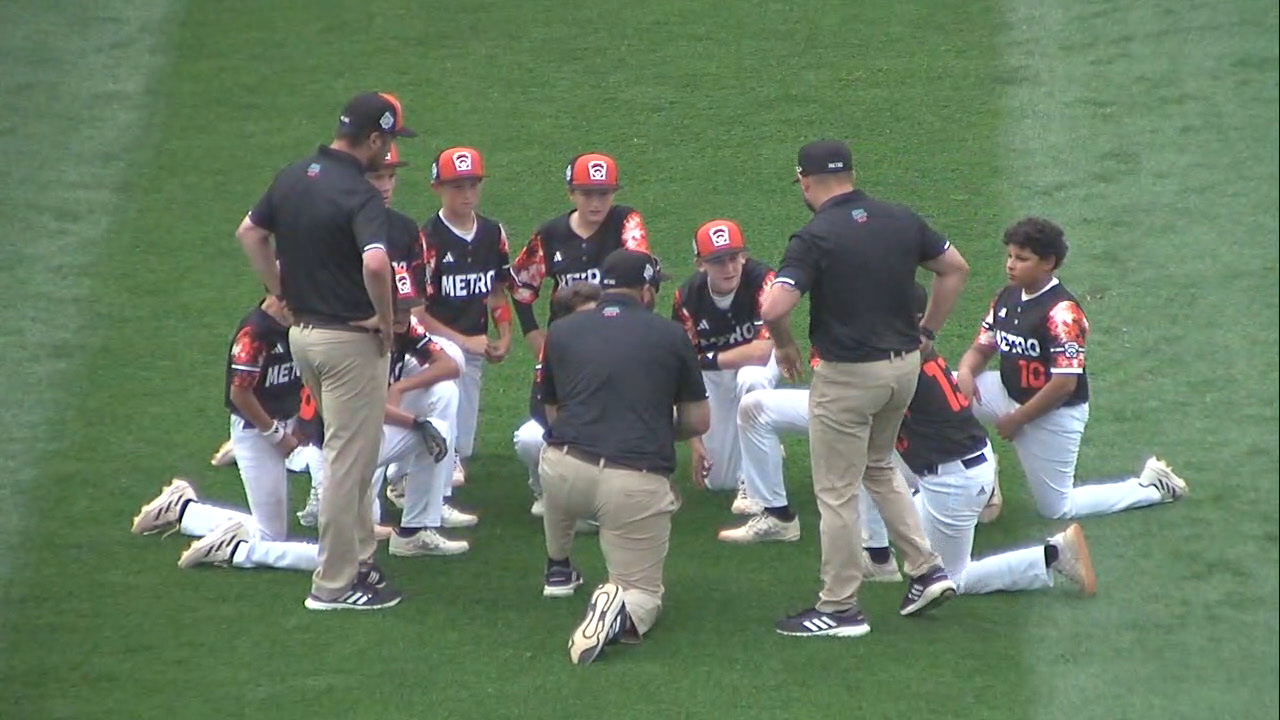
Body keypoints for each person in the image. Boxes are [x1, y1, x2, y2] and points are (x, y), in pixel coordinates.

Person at [761, 138, 970, 637]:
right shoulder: (900, 218)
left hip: (848, 379)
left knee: (835, 492)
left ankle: (839, 608)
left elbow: (773, 307)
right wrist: (927, 332)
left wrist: (784, 345)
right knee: (878, 467)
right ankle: (926, 569)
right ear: (851, 174)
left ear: (805, 181)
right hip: (902, 371)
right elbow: (955, 269)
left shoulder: (814, 236)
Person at [235, 91, 417, 611]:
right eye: (389, 144)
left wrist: (283, 293)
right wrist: (385, 320)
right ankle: (334, 585)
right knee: (347, 461)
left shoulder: (294, 175)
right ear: (375, 139)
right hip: (349, 345)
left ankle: (359, 557)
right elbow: (378, 266)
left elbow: (249, 233)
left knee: (351, 455)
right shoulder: (360, 195)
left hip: (304, 338)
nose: (389, 157)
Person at [537, 249, 710, 666]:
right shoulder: (671, 336)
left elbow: (553, 413)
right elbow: (697, 420)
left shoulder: (562, 331)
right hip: (631, 481)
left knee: (558, 453)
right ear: (647, 291)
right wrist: (655, 430)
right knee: (643, 595)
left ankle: (558, 567)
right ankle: (617, 609)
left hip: (562, 474)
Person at [954, 217, 1188, 519]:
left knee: (1057, 508)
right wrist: (963, 374)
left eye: (1022, 258)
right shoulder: (1007, 296)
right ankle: (968, 481)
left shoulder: (1063, 312)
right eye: (1010, 256)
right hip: (1006, 392)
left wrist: (1018, 419)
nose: (1011, 264)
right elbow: (982, 347)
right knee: (938, 393)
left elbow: (1064, 383)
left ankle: (1152, 487)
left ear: (1048, 262)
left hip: (1052, 413)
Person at [416, 147, 513, 487]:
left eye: (472, 185)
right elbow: (416, 311)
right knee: (444, 439)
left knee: (464, 445)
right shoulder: (426, 240)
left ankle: (420, 476)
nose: (467, 194)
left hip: (472, 352)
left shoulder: (492, 233)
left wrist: (503, 334)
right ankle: (407, 483)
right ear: (437, 188)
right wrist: (463, 342)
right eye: (457, 186)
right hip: (431, 352)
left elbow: (498, 289)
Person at [671, 219, 778, 513]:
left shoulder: (763, 280)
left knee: (751, 380)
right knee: (718, 480)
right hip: (711, 375)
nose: (729, 268)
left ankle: (753, 482)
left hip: (760, 363)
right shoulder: (687, 298)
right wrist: (695, 440)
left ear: (744, 256)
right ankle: (759, 453)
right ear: (700, 264)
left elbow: (761, 351)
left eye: (733, 258)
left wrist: (707, 360)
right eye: (718, 261)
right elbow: (683, 372)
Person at [509, 153, 648, 357]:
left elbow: (641, 268)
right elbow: (520, 286)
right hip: (568, 343)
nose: (596, 203)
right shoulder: (550, 234)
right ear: (571, 194)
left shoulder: (626, 222)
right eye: (587, 194)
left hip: (621, 338)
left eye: (604, 194)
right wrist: (534, 336)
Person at [513, 281, 602, 517]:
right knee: (530, 438)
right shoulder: (554, 351)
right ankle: (545, 493)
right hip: (570, 431)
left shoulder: (622, 345)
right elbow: (539, 408)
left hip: (614, 434)